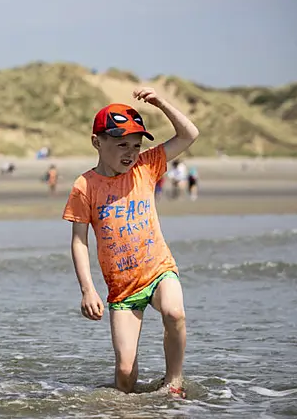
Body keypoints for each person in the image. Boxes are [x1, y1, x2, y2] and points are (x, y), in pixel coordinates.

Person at [62, 87, 199, 398]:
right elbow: (79, 242)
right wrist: (87, 289)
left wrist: (161, 102)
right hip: (122, 287)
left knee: (175, 313)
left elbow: (189, 134)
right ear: (97, 142)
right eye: (121, 144)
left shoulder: (146, 167)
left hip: (158, 270)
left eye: (136, 145)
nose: (130, 152)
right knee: (125, 375)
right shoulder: (85, 186)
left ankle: (173, 384)